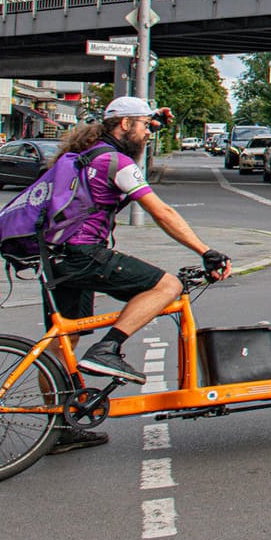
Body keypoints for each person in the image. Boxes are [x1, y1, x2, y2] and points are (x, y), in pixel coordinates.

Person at [42, 96, 230, 453]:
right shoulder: (118, 163)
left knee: (63, 340)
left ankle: (58, 426)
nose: (148, 133)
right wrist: (205, 250)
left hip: (55, 255)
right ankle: (108, 348)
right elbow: (162, 212)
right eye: (144, 126)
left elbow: (139, 131)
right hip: (84, 254)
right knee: (167, 285)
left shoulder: (87, 154)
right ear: (125, 125)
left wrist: (155, 118)